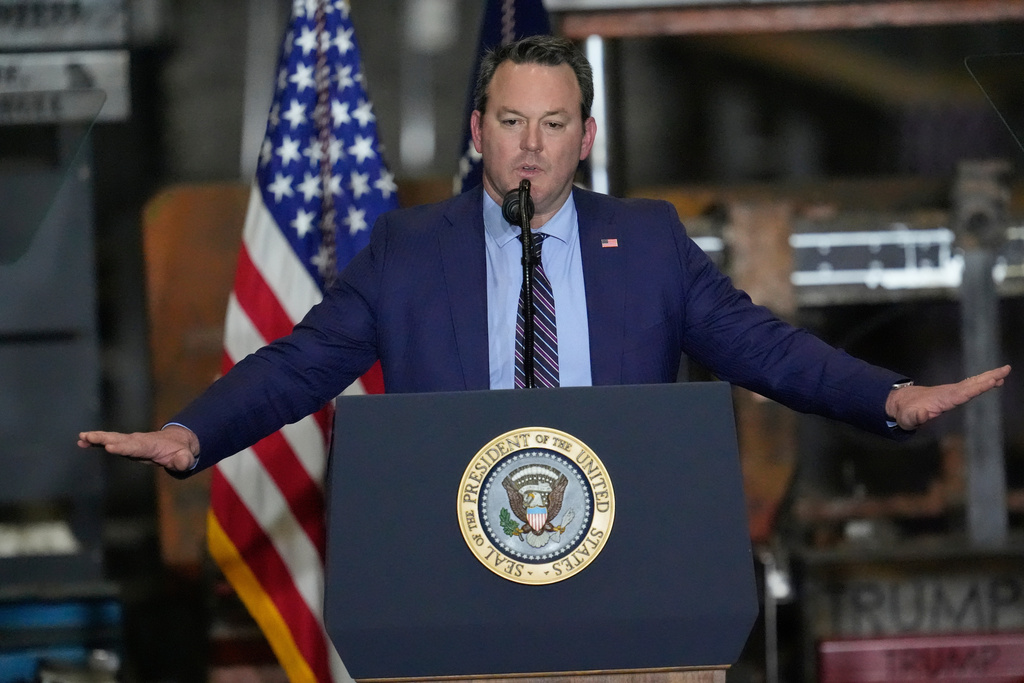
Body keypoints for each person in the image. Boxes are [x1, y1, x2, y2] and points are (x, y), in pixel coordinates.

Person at [79, 35, 1010, 474]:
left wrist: (885, 396)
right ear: (480, 130)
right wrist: (192, 433)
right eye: (513, 122)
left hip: (625, 554)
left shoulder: (646, 242)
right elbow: (299, 364)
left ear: (586, 137)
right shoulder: (410, 250)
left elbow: (766, 349)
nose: (531, 145)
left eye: (553, 124)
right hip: (457, 560)